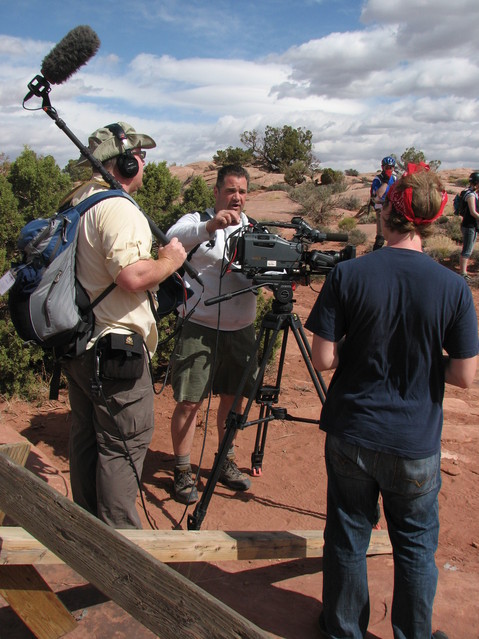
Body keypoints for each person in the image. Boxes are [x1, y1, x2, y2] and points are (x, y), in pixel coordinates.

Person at [305, 164, 478, 639]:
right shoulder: (453, 287)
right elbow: (465, 375)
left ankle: (343, 630)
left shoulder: (348, 274)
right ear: (428, 220)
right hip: (415, 441)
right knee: (417, 547)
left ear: (388, 213)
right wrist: (423, 364)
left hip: (353, 431)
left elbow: (322, 359)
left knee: (347, 535)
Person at [62, 122, 186, 528]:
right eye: (141, 156)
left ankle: (85, 533)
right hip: (114, 351)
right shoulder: (117, 207)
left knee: (86, 439)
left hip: (80, 344)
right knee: (123, 446)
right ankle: (121, 555)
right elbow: (131, 276)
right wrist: (170, 261)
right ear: (127, 162)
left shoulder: (80, 201)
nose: (145, 164)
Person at [166, 164, 258, 504]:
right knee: (189, 402)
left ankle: (225, 461)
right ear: (217, 191)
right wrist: (210, 225)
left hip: (241, 331)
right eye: (231, 190)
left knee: (234, 400)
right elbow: (173, 236)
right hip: (200, 327)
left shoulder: (254, 230)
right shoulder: (196, 221)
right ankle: (182, 469)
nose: (237, 197)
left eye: (242, 191)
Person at [370, 155, 397, 250]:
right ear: (382, 167)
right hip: (381, 209)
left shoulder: (395, 178)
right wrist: (385, 181)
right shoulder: (378, 179)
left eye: (391, 167)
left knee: (395, 236)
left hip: (393, 209)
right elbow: (378, 195)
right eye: (387, 167)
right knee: (380, 237)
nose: (389, 169)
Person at [459, 170, 479, 281]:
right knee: (467, 249)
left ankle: (463, 271)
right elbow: (473, 212)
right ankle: (463, 273)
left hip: (470, 225)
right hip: (469, 226)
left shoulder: (470, 192)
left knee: (468, 248)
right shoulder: (471, 195)